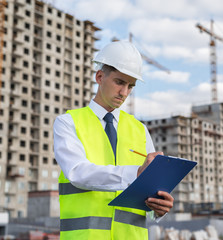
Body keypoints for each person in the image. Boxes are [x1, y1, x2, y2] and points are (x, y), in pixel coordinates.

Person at [53, 41, 174, 240]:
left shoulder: (139, 130)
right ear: (99, 77)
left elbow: (149, 191)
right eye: (119, 82)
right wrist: (135, 172)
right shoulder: (68, 123)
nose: (124, 93)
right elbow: (77, 173)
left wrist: (159, 208)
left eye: (130, 86)